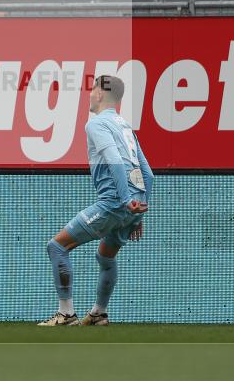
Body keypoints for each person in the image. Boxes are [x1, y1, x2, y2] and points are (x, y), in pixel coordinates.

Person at [39, 75, 154, 326]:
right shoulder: (125, 126)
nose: (90, 93)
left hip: (115, 202)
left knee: (56, 247)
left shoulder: (96, 125)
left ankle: (66, 314)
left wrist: (125, 201)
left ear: (101, 94)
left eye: (93, 89)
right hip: (133, 204)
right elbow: (148, 173)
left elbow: (113, 159)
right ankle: (98, 313)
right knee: (106, 256)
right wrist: (138, 212)